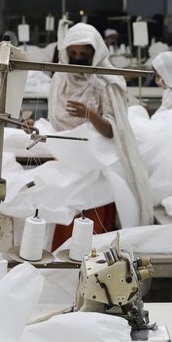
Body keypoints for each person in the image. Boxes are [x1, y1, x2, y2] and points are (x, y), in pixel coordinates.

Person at [48, 22, 154, 230]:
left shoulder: (106, 81)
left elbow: (112, 132)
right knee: (63, 213)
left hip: (97, 161)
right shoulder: (60, 78)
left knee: (91, 226)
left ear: (94, 54)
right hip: (65, 157)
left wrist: (90, 115)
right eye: (74, 53)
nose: (78, 58)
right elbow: (56, 122)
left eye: (84, 54)